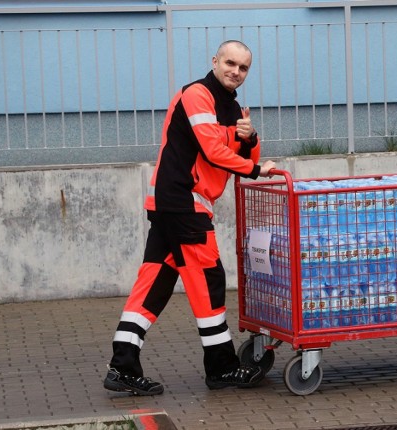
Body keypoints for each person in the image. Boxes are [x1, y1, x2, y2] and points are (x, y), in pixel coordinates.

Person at [103, 40, 276, 396]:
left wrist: (251, 136)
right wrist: (257, 169)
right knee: (209, 278)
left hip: (175, 202)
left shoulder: (231, 107)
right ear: (215, 61)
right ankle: (221, 368)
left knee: (154, 283)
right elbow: (213, 151)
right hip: (183, 201)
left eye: (243, 68)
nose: (236, 71)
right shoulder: (197, 94)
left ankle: (122, 366)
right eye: (230, 63)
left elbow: (235, 152)